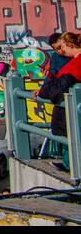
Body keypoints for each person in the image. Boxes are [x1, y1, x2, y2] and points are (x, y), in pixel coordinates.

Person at [36, 32, 81, 170]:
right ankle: (71, 163)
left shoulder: (75, 63)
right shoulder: (74, 62)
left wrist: (43, 91)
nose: (61, 51)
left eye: (62, 47)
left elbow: (58, 85)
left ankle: (72, 165)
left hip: (69, 106)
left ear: (70, 45)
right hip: (70, 103)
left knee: (71, 134)